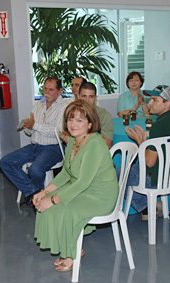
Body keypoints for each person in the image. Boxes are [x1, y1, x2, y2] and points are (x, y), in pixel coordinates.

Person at [33, 100, 118, 272]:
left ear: (90, 124)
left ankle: (72, 254)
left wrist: (53, 200)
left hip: (100, 195)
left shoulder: (95, 143)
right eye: (70, 119)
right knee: (47, 206)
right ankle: (72, 248)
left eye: (79, 120)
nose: (73, 124)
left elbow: (83, 182)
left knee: (66, 210)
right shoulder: (73, 140)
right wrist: (45, 191)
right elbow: (65, 173)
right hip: (82, 189)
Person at [121, 85, 170, 219]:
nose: (150, 103)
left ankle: (147, 207)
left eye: (155, 100)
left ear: (167, 104)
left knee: (116, 175)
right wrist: (146, 140)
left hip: (156, 178)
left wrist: (139, 141)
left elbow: (149, 162)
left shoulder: (159, 125)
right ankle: (150, 205)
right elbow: (163, 147)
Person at [0, 77, 68, 207]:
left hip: (53, 148)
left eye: (51, 89)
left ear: (59, 91)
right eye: (45, 88)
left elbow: (56, 130)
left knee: (35, 169)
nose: (46, 92)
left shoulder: (64, 107)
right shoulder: (38, 104)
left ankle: (35, 196)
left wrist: (35, 125)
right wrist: (28, 127)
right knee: (5, 162)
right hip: (34, 145)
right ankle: (34, 192)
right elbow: (32, 131)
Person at [60, 82, 114, 148]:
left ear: (95, 98)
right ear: (78, 96)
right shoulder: (70, 113)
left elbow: (108, 144)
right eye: (84, 96)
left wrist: (81, 142)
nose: (87, 100)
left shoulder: (104, 115)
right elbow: (66, 133)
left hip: (96, 152)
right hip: (73, 150)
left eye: (91, 97)